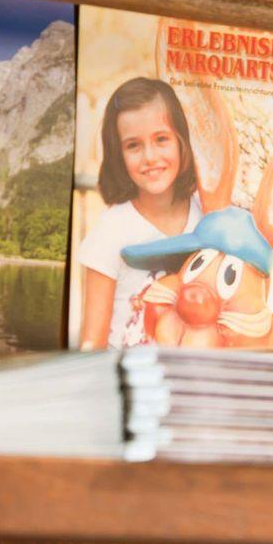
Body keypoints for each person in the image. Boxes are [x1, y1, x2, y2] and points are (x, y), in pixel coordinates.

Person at [76, 79, 202, 350]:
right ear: (118, 154)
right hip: (128, 371)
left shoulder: (206, 215)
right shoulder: (111, 230)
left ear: (181, 140)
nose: (150, 157)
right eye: (133, 145)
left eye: (161, 139)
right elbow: (92, 342)